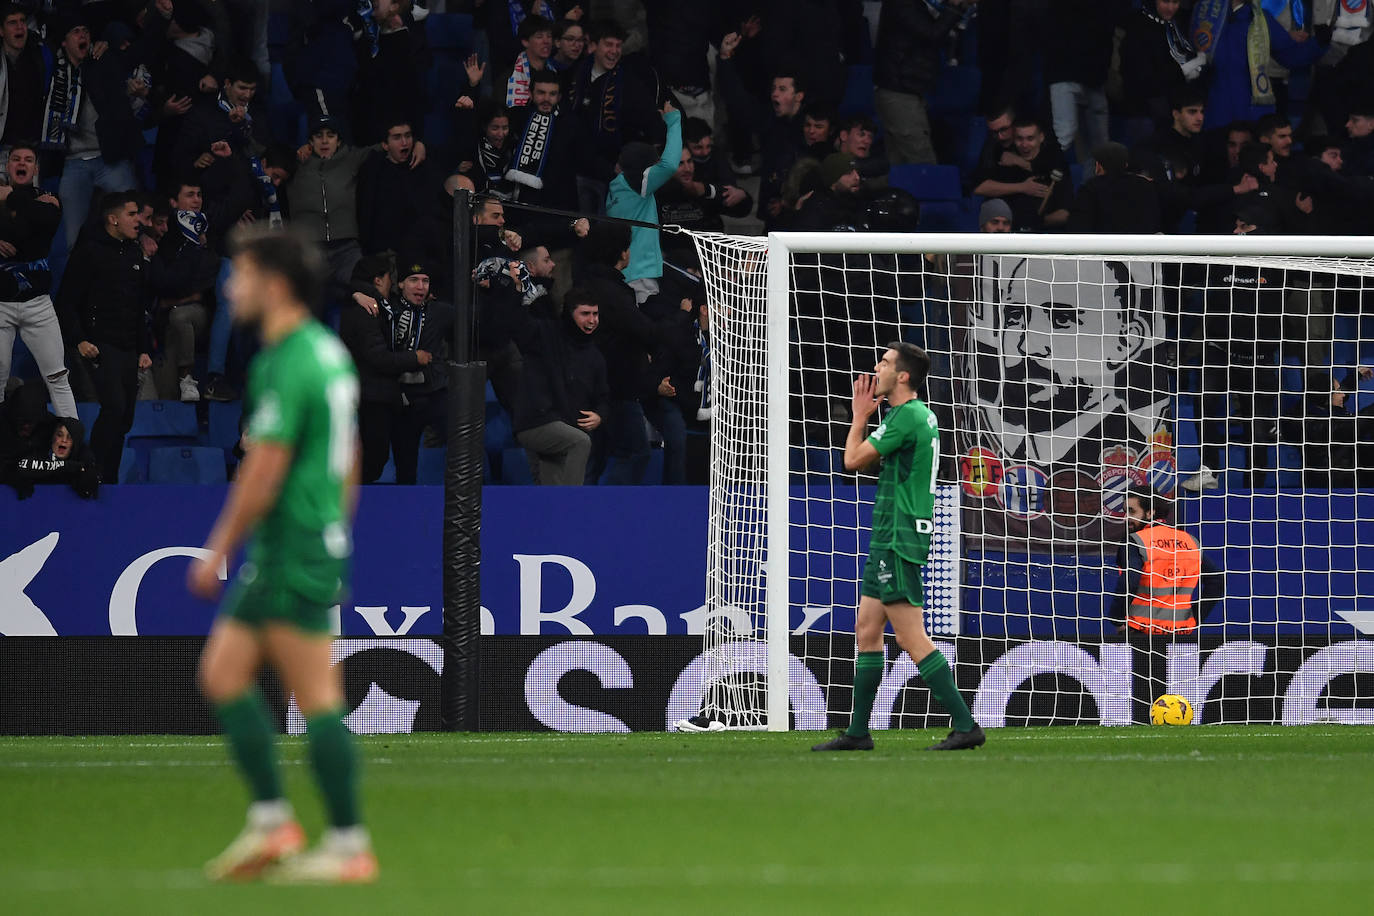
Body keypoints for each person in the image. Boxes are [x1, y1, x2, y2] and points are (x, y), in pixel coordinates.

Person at [187, 227, 375, 884]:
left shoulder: (286, 360)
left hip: (290, 545)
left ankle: (347, 844)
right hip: (309, 540)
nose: (231, 287)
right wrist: (337, 530)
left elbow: (264, 465)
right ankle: (274, 824)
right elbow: (350, 458)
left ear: (274, 282)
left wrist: (216, 549)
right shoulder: (328, 353)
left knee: (316, 695)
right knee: (224, 674)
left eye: (240, 274)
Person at [812, 343, 984, 752]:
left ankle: (966, 725)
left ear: (902, 377)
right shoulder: (917, 415)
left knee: (910, 638)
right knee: (867, 630)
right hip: (894, 531)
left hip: (899, 535)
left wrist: (858, 418)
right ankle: (857, 732)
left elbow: (852, 460)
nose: (877, 368)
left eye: (885, 363)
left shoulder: (906, 416)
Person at [56, 192, 152, 483]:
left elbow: (139, 306)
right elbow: (65, 301)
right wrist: (79, 340)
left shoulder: (135, 253)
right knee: (114, 408)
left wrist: (144, 348)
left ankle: (107, 478)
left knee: (125, 419)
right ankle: (90, 471)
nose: (138, 220)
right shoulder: (89, 252)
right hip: (99, 345)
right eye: (132, 214)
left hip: (128, 346)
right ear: (113, 219)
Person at [1110, 486, 1224, 721]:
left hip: (1140, 635)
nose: (1126, 517)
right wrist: (1194, 618)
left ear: (1150, 513)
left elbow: (1129, 581)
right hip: (1182, 638)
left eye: (1131, 511)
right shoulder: (1189, 540)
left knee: (1137, 711)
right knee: (1178, 707)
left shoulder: (1135, 541)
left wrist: (1116, 618)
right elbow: (1217, 583)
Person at [0, 143, 75, 418]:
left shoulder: (48, 197)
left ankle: (74, 448)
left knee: (58, 377)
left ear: (36, 168)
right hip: (0, 302)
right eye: (16, 159)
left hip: (38, 303)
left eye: (29, 160)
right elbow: (33, 222)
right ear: (8, 166)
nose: (22, 163)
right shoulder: (41, 200)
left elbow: (45, 219)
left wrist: (11, 196)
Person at [510, 285, 608, 486]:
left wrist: (600, 415)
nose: (592, 320)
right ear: (570, 314)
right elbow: (518, 325)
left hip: (566, 428)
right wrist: (516, 290)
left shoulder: (595, 356)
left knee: (551, 489)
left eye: (595, 314)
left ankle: (559, 511)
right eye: (585, 314)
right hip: (536, 421)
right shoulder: (546, 334)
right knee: (580, 442)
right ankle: (572, 504)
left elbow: (604, 397)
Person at [872, 0, 974, 166]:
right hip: (899, 93)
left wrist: (959, 7)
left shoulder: (916, 5)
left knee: (900, 165)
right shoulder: (903, 4)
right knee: (923, 164)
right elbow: (932, 34)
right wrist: (954, 6)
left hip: (906, 90)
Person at [605, 99, 681, 304]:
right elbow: (670, 166)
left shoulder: (616, 187)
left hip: (625, 272)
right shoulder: (635, 184)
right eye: (653, 166)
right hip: (640, 278)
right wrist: (674, 121)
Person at [1065, 142, 1164, 234]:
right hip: (1143, 248)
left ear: (1098, 167)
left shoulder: (1090, 188)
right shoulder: (1146, 185)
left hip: (1102, 249)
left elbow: (1077, 228)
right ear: (1126, 165)